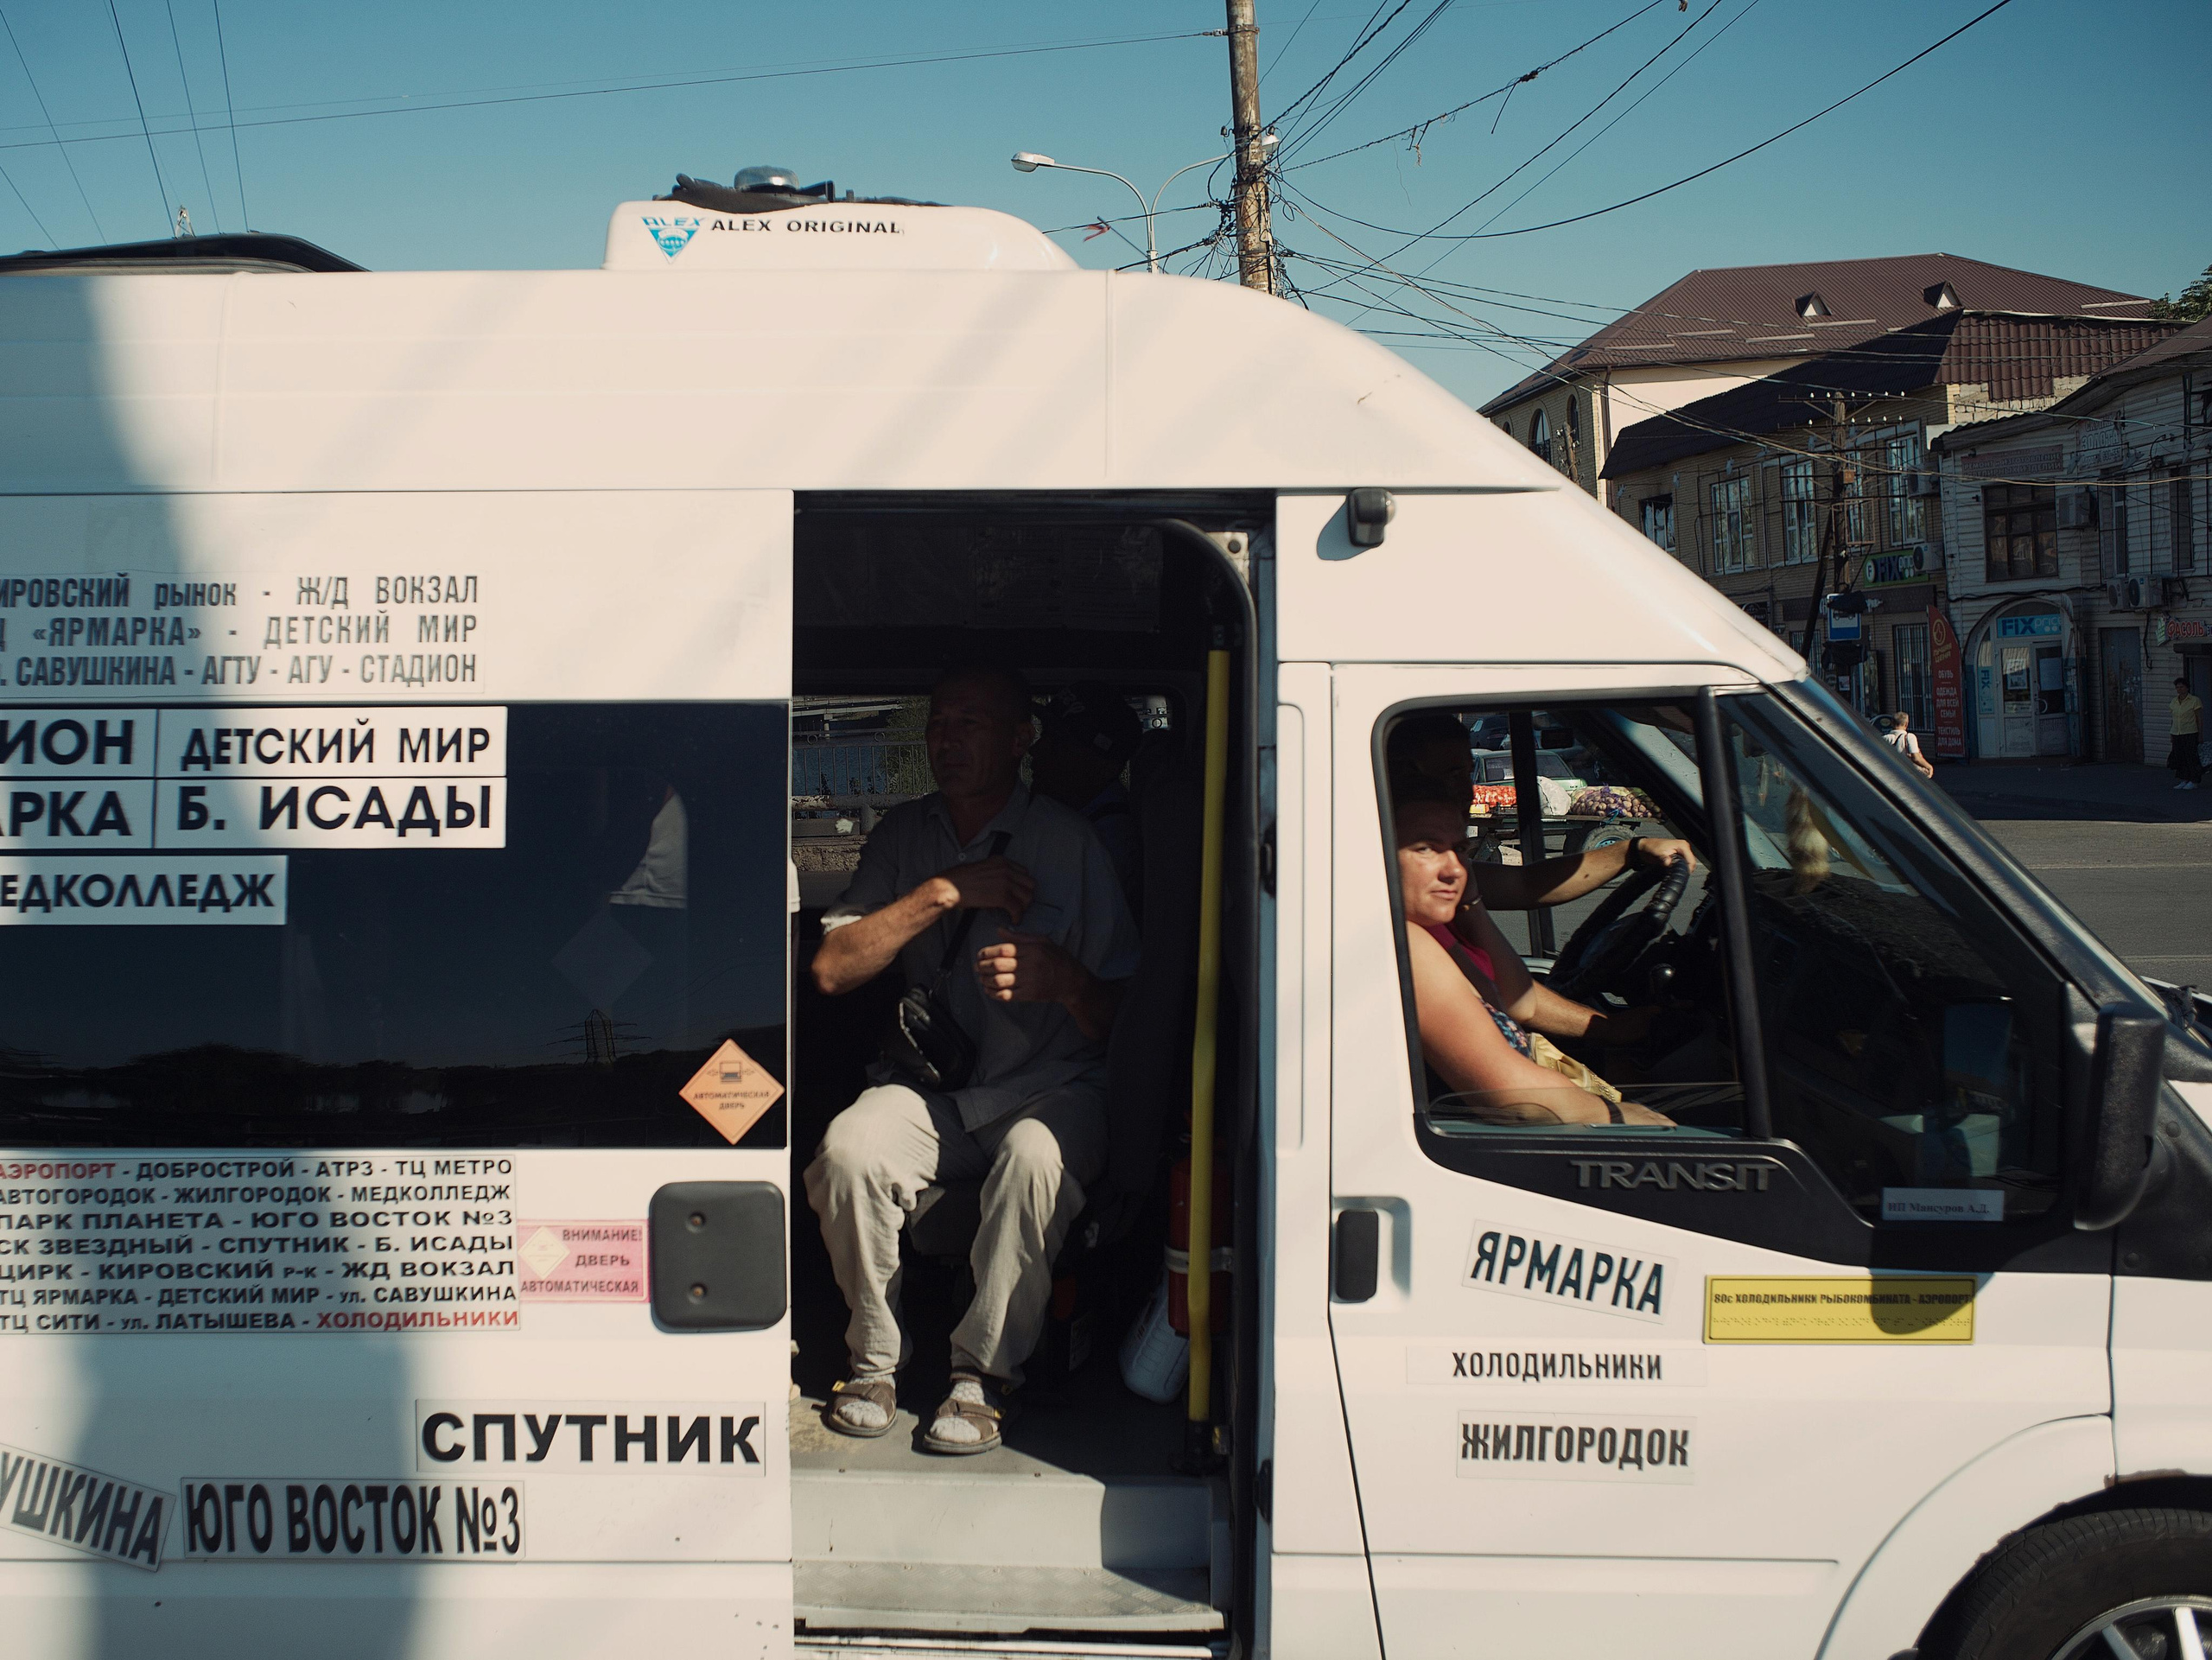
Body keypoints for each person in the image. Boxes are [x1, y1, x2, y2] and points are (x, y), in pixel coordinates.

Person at [805, 664, 1140, 1453]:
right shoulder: (903, 835)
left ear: (1022, 740)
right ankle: (877, 1358)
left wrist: (1065, 981)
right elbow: (830, 969)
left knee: (1033, 1158)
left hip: (1054, 1085)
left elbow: (1125, 1019)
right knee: (849, 1150)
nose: (945, 738)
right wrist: (945, 892)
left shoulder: (1071, 842)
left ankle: (982, 1376)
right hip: (940, 1094)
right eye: (936, 723)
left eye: (970, 722)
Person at [1394, 785, 1671, 1127]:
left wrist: (1472, 899)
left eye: (1461, 849)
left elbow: (1516, 1002)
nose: (1454, 869)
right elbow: (1516, 1095)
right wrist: (1618, 1115)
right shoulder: (1406, 942)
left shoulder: (1433, 926)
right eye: (1426, 849)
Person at [1387, 711, 1698, 910]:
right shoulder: (1402, 891)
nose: (1468, 792)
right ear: (1404, 777)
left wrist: (1632, 850)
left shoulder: (1451, 886)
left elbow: (1525, 885)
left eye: (1468, 774)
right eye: (1452, 774)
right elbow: (1521, 1001)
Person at [1027, 681, 1144, 907]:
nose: (1035, 750)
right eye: (1044, 736)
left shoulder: (1104, 849)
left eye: (1058, 744)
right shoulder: (1065, 816)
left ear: (1101, 765)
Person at [2170, 677, 2203, 792]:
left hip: (2190, 732)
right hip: (2177, 732)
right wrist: (2171, 733)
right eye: (2177, 687)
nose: (2179, 689)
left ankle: (2194, 780)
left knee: (2191, 757)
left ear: (2187, 688)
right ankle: (2184, 778)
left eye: (2182, 687)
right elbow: (2174, 718)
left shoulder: (2194, 700)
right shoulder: (2174, 701)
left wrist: (2200, 734)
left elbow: (2199, 718)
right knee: (2180, 757)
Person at [1884, 709, 1935, 779]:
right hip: (1908, 776)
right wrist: (1929, 767)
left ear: (1892, 723)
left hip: (1891, 775)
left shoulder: (1885, 738)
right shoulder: (1909, 737)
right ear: (1906, 724)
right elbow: (1916, 758)